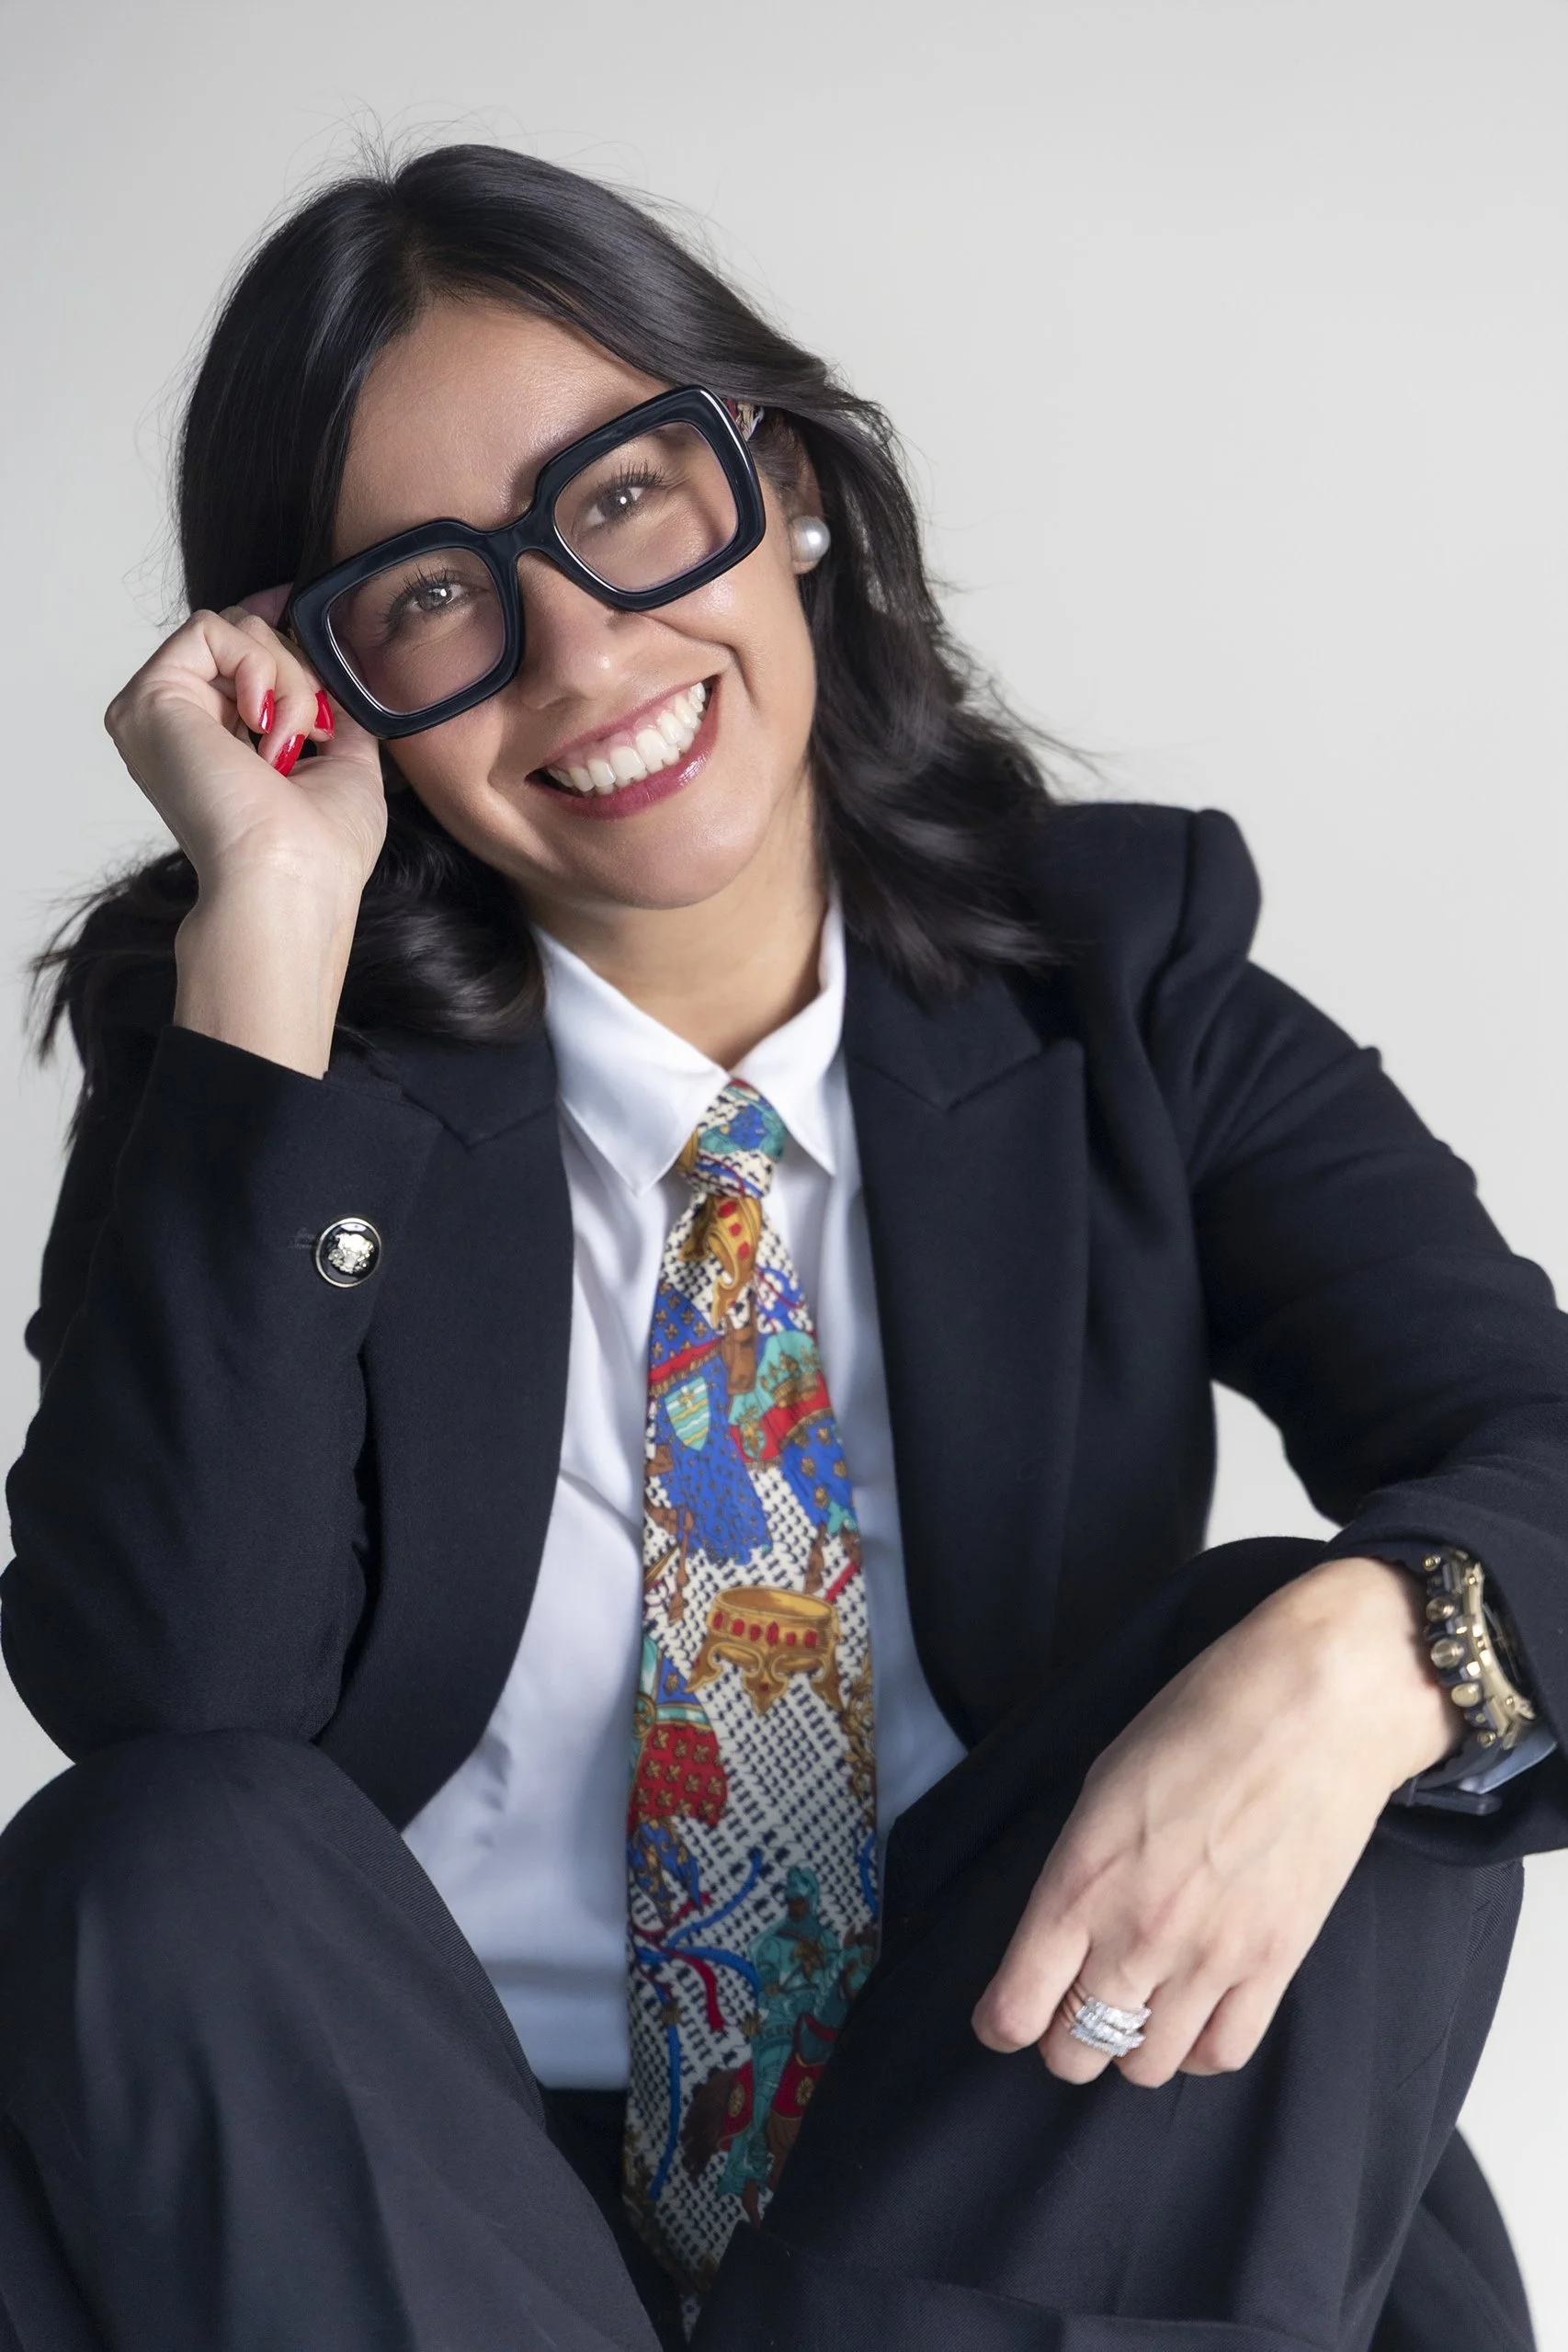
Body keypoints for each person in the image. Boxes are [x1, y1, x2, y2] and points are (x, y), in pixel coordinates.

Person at [1, 141, 1563, 2352]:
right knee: (153, 1856)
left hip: (1023, 2167)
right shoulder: (269, 1074)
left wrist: (1369, 1655)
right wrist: (268, 924)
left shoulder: (1121, 974)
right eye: (431, 594)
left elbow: (1536, 1442)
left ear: (790, 479)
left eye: (622, 494)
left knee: (1361, 1663)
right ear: (323, 675)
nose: (579, 647)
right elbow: (170, 1700)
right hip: (428, 2229)